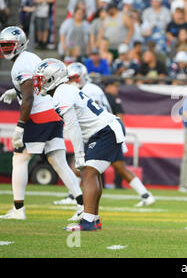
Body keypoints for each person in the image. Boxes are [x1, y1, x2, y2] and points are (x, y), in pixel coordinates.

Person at [0, 27, 84, 221]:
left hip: (39, 114)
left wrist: (20, 126)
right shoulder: (31, 57)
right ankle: (81, 205)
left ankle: (18, 209)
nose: (5, 49)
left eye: (8, 45)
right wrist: (17, 91)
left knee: (19, 159)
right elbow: (37, 86)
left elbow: (29, 97)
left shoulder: (19, 65)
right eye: (3, 45)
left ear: (18, 44)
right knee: (58, 161)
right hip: (53, 111)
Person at [32, 58, 125, 231]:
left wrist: (79, 155)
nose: (38, 82)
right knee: (91, 173)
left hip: (105, 130)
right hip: (105, 129)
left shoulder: (61, 93)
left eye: (41, 78)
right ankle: (93, 220)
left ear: (53, 78)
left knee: (88, 172)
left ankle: (89, 221)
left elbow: (73, 127)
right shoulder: (63, 91)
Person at [54, 63, 156, 207]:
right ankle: (145, 194)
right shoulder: (82, 89)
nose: (72, 81)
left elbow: (92, 115)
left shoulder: (91, 90)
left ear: (82, 76)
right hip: (101, 131)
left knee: (85, 168)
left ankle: (77, 199)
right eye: (69, 78)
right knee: (114, 167)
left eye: (75, 77)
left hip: (102, 132)